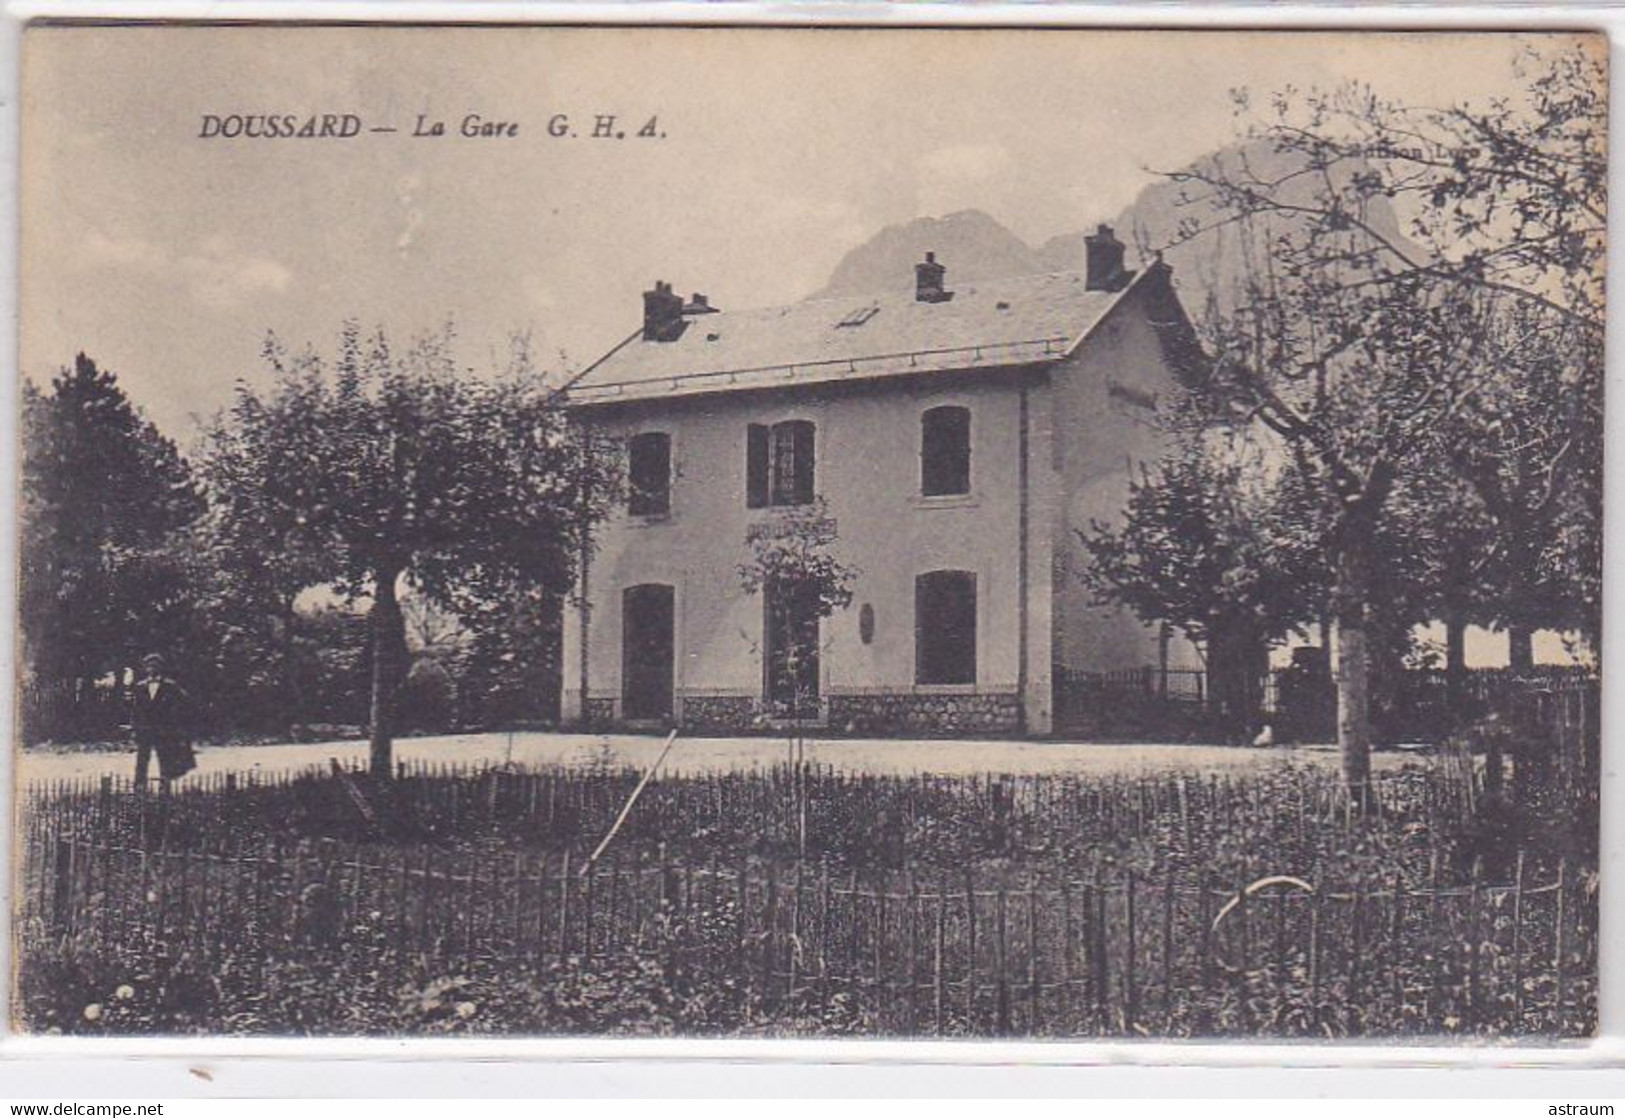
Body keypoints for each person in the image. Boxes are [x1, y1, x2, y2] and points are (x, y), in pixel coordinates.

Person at [129, 652, 197, 789]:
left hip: (164, 729)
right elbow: (135, 709)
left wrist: (174, 722)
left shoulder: (170, 686)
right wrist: (135, 727)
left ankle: (165, 787)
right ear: (145, 668)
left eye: (155, 665)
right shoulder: (140, 686)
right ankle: (139, 787)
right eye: (149, 666)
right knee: (142, 758)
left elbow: (185, 703)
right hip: (145, 729)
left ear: (161, 668)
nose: (152, 668)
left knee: (165, 757)